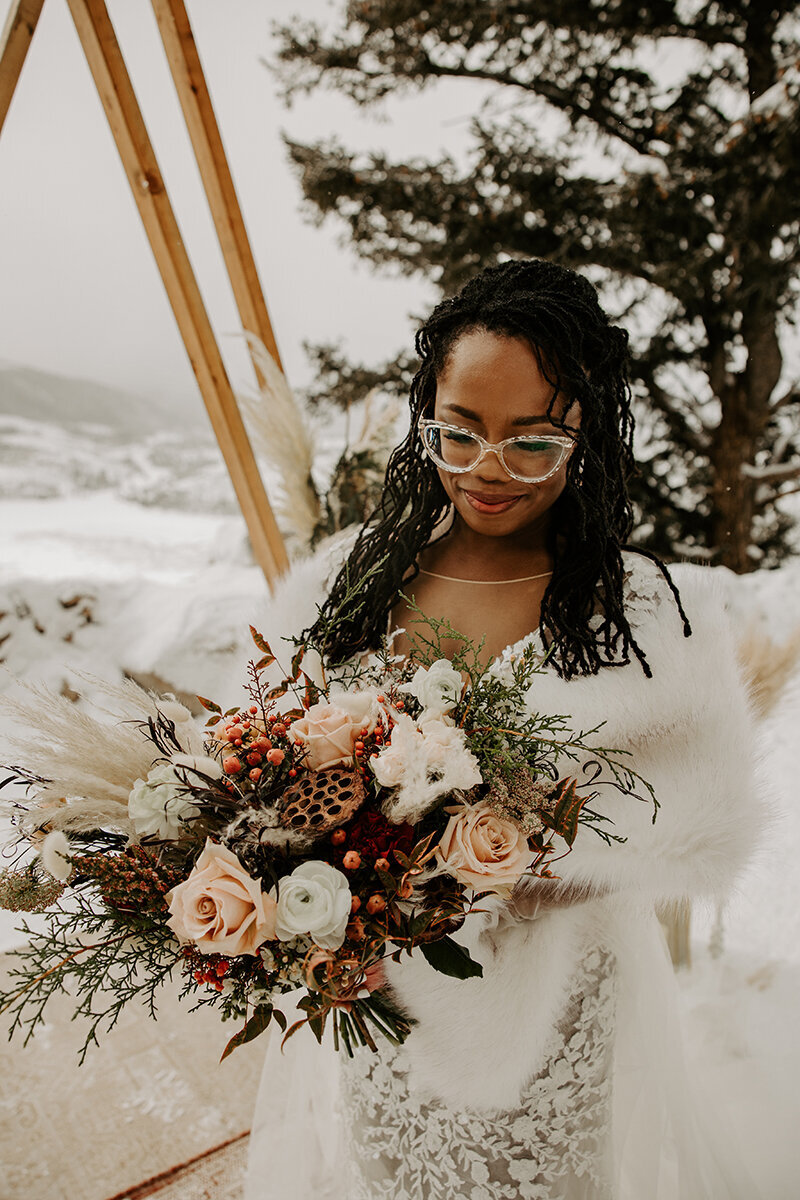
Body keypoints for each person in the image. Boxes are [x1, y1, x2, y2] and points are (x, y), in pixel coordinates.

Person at [244, 260, 759, 1199]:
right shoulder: (346, 581)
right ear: (426, 411)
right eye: (461, 431)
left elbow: (704, 817)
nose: (488, 469)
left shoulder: (640, 611)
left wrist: (494, 864)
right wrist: (310, 904)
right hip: (383, 1005)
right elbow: (263, 761)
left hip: (550, 1013)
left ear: (586, 433)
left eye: (533, 443)